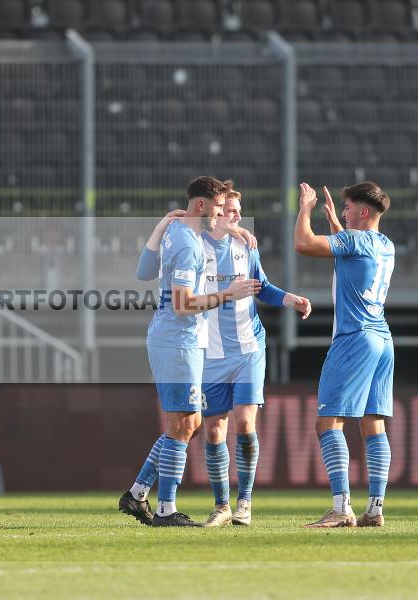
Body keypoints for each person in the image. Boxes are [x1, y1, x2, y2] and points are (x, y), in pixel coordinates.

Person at [133, 190, 312, 527]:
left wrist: (290, 299)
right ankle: (221, 505)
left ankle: (244, 502)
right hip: (208, 351)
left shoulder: (246, 246)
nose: (236, 217)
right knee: (209, 429)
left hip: (248, 347)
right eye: (228, 210)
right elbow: (156, 275)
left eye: (238, 211)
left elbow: (262, 286)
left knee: (243, 423)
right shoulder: (193, 243)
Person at [118, 176, 261, 527]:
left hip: (182, 340)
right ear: (201, 206)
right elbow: (183, 305)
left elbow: (143, 271)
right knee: (183, 424)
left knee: (191, 423)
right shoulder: (189, 245)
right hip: (178, 341)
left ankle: (137, 493)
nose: (221, 215)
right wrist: (228, 294)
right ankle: (165, 510)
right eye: (218, 209)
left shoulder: (178, 232)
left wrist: (163, 225)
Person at [294, 182, 394, 528]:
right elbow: (353, 254)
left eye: (348, 207)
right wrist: (338, 226)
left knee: (328, 422)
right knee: (373, 423)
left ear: (363, 211)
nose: (345, 212)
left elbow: (304, 243)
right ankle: (375, 509)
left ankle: (341, 508)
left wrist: (305, 208)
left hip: (355, 338)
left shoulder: (354, 240)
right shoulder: (386, 244)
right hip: (383, 338)